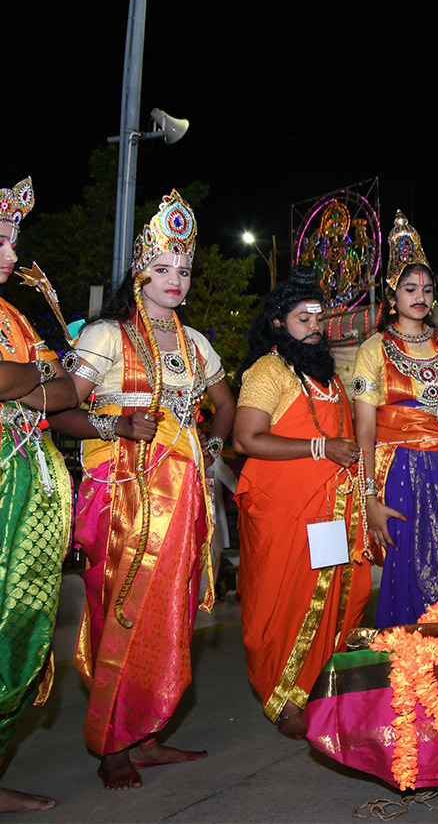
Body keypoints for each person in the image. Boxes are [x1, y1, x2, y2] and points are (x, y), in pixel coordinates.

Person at [55, 190, 235, 788]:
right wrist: (118, 424)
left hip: (181, 498)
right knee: (120, 616)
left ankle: (146, 733)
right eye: (164, 268)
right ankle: (111, 745)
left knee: (172, 617)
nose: (176, 279)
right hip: (119, 497)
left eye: (184, 269)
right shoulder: (106, 336)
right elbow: (62, 415)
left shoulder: (195, 344)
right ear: (141, 270)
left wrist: (209, 449)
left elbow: (224, 405)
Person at [231, 270, 372, 740]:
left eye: (319, 316)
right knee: (283, 602)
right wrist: (319, 449)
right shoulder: (267, 371)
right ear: (277, 323)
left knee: (333, 597)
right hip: (282, 513)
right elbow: (246, 438)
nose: (315, 325)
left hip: (329, 513)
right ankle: (282, 697)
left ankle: (315, 688)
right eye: (302, 317)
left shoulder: (327, 376)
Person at [352, 212, 438, 626]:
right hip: (399, 475)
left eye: (427, 289)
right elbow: (364, 431)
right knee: (409, 581)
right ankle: (411, 680)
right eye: (410, 288)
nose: (420, 296)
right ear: (391, 295)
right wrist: (369, 499)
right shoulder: (373, 349)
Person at [0, 177, 78, 812]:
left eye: (14, 237)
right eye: (0, 237)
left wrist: (30, 381)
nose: (10, 250)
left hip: (36, 485)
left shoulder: (15, 316)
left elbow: (67, 392)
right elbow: (36, 378)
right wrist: (38, 376)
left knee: (24, 631)